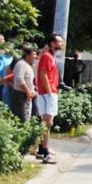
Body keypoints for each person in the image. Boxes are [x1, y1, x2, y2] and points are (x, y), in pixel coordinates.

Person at [36, 33, 64, 164]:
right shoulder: (47, 56)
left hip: (50, 92)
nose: (61, 44)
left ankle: (42, 149)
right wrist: (49, 92)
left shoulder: (49, 56)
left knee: (47, 122)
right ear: (52, 43)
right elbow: (43, 74)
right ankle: (45, 152)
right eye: (59, 42)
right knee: (48, 122)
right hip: (48, 93)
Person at [11, 46, 37, 123]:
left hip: (27, 96)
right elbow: (20, 79)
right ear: (27, 55)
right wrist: (28, 91)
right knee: (21, 119)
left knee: (27, 117)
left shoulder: (28, 65)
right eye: (33, 54)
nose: (35, 57)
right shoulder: (21, 64)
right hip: (20, 96)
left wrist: (33, 91)